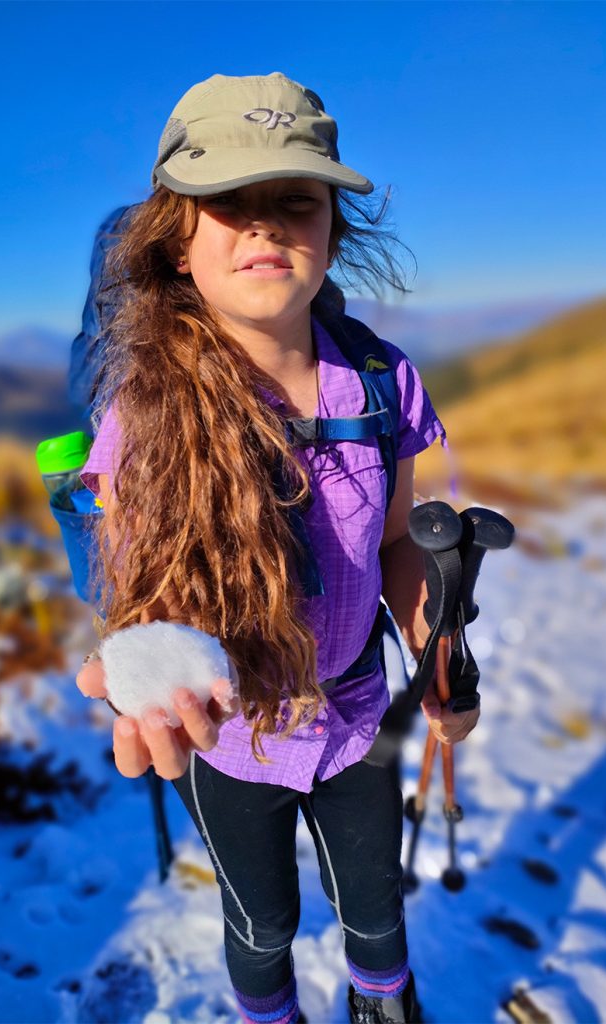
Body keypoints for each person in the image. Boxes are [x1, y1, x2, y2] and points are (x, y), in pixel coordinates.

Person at [74, 72, 476, 1024]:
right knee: (261, 922)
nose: (264, 224)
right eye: (227, 201)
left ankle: (383, 1006)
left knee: (375, 910)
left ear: (332, 229)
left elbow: (396, 543)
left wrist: (439, 648)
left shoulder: (380, 382)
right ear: (177, 242)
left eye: (295, 199)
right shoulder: (143, 414)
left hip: (357, 716)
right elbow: (144, 593)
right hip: (232, 740)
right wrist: (148, 674)